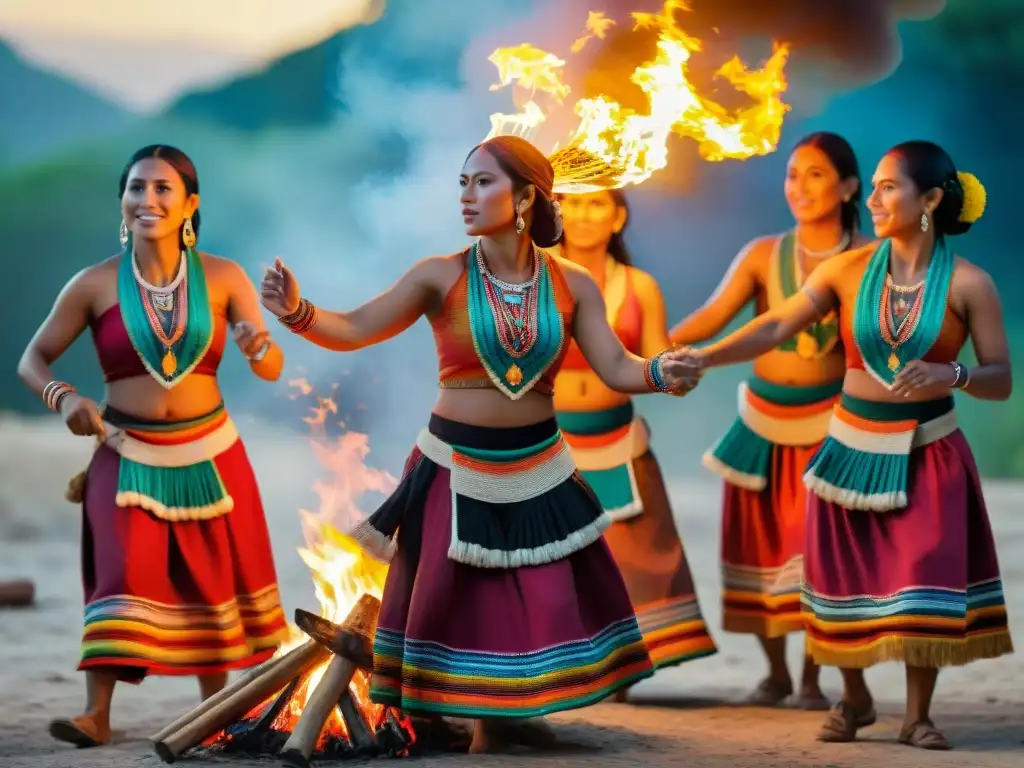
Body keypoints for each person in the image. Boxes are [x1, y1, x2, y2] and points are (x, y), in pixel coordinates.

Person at [260, 135, 701, 753]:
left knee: (542, 600)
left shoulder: (574, 283)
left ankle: (506, 720)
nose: (466, 196)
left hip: (540, 467)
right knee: (459, 602)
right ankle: (469, 725)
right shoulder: (439, 275)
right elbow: (357, 328)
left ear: (525, 196)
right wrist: (297, 310)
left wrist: (662, 373)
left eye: (483, 183)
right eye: (462, 183)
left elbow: (617, 366)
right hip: (452, 466)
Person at [678, 140, 1012, 749]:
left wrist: (952, 374)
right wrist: (705, 355)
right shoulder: (846, 270)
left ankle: (917, 716)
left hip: (929, 446)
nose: (877, 199)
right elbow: (776, 324)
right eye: (876, 185)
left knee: (924, 573)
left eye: (891, 187)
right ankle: (853, 698)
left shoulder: (970, 284)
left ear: (931, 199)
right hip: (849, 444)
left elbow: (1001, 380)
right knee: (840, 578)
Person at [17, 145, 291, 748]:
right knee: (119, 573)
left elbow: (272, 367)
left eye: (164, 189)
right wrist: (64, 398)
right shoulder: (91, 284)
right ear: (123, 201)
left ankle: (215, 711)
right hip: (124, 450)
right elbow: (31, 360)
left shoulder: (224, 278)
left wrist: (256, 347)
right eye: (137, 188)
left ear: (190, 203)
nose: (148, 200)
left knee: (213, 581)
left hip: (212, 454)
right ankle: (96, 714)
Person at [669, 132, 870, 708]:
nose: (799, 187)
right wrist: (653, 345)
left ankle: (812, 677)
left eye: (814, 174)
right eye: (791, 175)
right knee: (757, 547)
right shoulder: (763, 253)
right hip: (761, 423)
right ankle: (777, 673)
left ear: (849, 186)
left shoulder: (868, 257)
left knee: (818, 550)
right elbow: (713, 315)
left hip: (834, 424)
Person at [552, 188, 716, 701]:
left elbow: (653, 362)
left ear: (618, 215)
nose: (582, 213)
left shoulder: (639, 285)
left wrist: (676, 372)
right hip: (546, 442)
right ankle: (555, 671)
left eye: (596, 203)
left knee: (633, 561)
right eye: (571, 202)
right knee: (549, 562)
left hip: (619, 440)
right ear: (553, 209)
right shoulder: (535, 274)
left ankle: (618, 670)